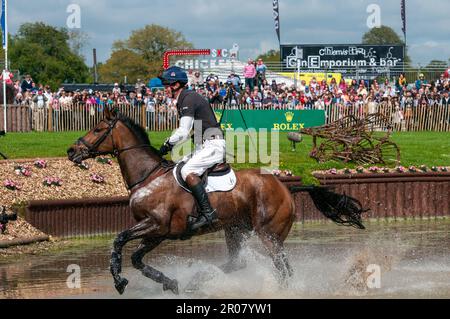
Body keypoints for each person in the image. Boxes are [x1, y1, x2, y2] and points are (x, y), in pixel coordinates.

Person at [158, 66, 225, 231]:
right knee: (178, 166)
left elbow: (183, 131)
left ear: (176, 85)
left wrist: (167, 143)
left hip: (213, 144)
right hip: (204, 144)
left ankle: (208, 213)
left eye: (167, 84)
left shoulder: (188, 98)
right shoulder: (186, 98)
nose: (164, 88)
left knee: (187, 171)